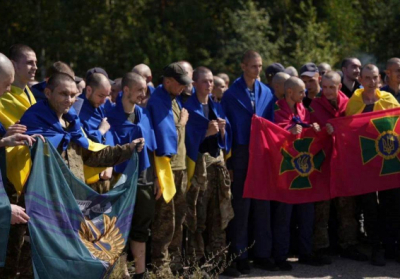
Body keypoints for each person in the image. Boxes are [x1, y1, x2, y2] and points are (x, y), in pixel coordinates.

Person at [221, 50, 276, 274]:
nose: (257, 70)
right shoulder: (231, 94)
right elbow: (228, 128)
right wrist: (230, 162)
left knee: (262, 205)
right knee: (241, 207)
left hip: (261, 153)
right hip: (242, 152)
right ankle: (240, 254)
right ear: (243, 66)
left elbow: (271, 126)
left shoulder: (267, 92)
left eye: (260, 66)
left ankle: (263, 253)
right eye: (253, 66)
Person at [343, 64, 400, 266]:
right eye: (367, 78)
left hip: (387, 162)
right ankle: (376, 247)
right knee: (369, 207)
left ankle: (391, 246)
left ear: (380, 79)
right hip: (364, 162)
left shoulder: (389, 100)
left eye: (375, 77)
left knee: (390, 205)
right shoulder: (354, 102)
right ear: (361, 80)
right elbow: (347, 130)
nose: (371, 82)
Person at [309, 71, 368, 262]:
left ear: (339, 87)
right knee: (322, 209)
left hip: (344, 165)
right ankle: (321, 247)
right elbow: (309, 132)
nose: (327, 91)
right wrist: (319, 131)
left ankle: (349, 244)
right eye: (324, 87)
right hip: (323, 165)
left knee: (347, 208)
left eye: (331, 87)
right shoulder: (315, 105)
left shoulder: (350, 105)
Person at [107, 72, 158, 279]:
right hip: (120, 181)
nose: (142, 94)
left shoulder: (144, 114)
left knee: (141, 227)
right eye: (139, 90)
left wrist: (156, 178)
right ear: (126, 90)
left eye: (144, 90)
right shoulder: (110, 114)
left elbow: (152, 148)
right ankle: (121, 272)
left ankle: (140, 273)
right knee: (118, 227)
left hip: (144, 179)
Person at [184, 67, 234, 275]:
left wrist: (222, 130)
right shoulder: (188, 107)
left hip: (217, 168)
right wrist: (206, 133)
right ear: (194, 84)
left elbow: (226, 137)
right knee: (198, 217)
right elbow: (185, 139)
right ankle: (196, 263)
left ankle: (218, 261)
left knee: (219, 215)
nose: (209, 85)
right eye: (204, 81)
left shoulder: (216, 105)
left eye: (211, 81)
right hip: (199, 170)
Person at [273, 77, 326, 270]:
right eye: (301, 92)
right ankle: (280, 256)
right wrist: (288, 130)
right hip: (286, 169)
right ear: (289, 93)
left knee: (306, 212)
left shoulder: (303, 109)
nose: (305, 94)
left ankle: (305, 252)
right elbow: (273, 133)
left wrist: (314, 128)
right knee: (284, 215)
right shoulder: (277, 108)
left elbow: (306, 131)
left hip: (303, 168)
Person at [147, 62, 191, 275]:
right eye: (180, 84)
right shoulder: (158, 100)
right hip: (166, 170)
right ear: (168, 81)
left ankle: (174, 264)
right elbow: (161, 137)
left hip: (179, 167)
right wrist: (181, 123)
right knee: (165, 223)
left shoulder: (173, 97)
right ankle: (160, 268)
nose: (183, 88)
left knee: (178, 220)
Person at [79, 72, 115, 193]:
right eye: (101, 96)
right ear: (88, 90)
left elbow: (108, 133)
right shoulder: (77, 109)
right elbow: (82, 142)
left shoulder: (99, 106)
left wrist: (110, 162)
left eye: (106, 96)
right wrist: (100, 131)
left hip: (104, 175)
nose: (104, 101)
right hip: (86, 178)